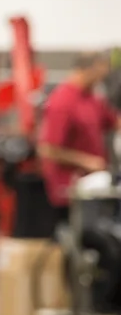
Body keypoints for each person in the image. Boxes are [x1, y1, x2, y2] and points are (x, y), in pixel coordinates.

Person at [38, 51, 118, 222]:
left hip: (94, 187)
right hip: (69, 190)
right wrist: (86, 161)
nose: (101, 80)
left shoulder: (92, 98)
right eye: (99, 74)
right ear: (87, 70)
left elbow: (113, 121)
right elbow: (48, 149)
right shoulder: (62, 101)